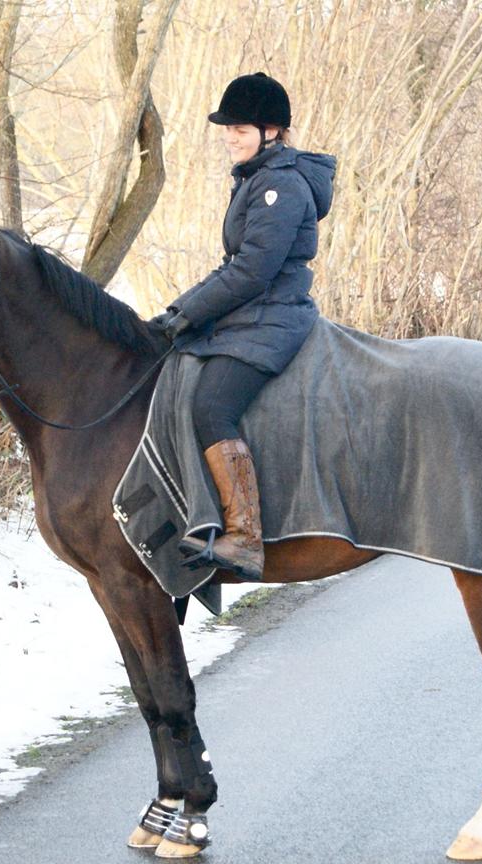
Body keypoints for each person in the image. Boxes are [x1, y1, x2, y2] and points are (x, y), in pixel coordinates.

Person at [149, 72, 336, 581]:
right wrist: (178, 311)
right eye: (227, 129)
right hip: (251, 312)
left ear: (271, 131)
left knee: (212, 406)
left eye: (240, 129)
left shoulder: (282, 185)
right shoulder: (256, 178)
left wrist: (191, 315)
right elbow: (231, 266)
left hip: (272, 316)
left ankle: (246, 536)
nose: (229, 137)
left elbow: (253, 271)